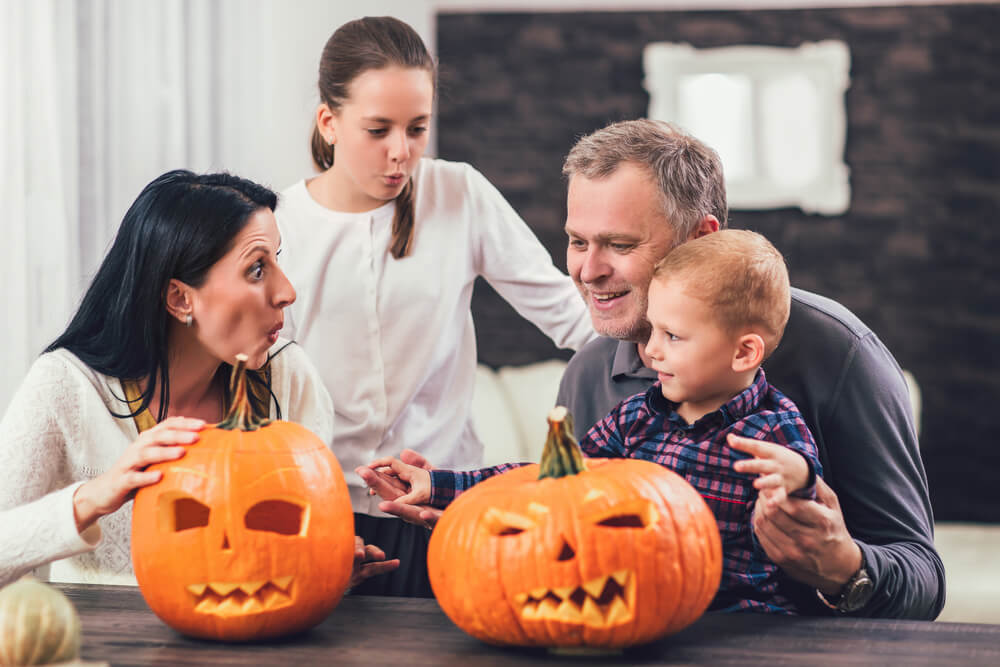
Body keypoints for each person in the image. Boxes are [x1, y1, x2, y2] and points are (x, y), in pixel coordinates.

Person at [364, 119, 945, 620]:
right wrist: (459, 501)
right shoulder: (590, 373)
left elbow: (923, 579)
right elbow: (570, 527)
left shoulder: (838, 354)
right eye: (575, 241)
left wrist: (845, 569)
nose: (588, 271)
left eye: (618, 243)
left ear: (700, 239)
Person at [275, 17, 594, 597]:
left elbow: (569, 314)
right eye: (378, 130)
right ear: (329, 121)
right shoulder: (278, 224)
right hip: (324, 515)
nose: (401, 153)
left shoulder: (459, 193)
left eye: (416, 129)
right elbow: (272, 387)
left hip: (445, 504)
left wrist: (671, 347)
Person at [367, 230, 826, 613]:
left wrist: (801, 477)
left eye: (673, 336)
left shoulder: (772, 428)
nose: (651, 351)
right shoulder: (634, 420)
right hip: (639, 609)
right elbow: (548, 484)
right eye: (652, 331)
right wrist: (439, 484)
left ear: (744, 351)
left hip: (740, 619)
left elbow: (810, 505)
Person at [0, 169, 397, 589]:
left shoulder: (288, 377)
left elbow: (286, 554)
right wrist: (93, 498)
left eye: (277, 260)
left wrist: (326, 568)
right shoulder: (64, 386)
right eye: (257, 270)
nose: (286, 291)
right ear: (180, 299)